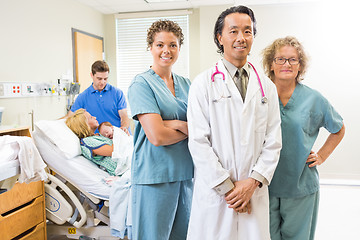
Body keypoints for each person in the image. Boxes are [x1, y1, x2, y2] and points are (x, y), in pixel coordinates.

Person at [186, 5, 282, 240]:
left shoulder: (266, 87)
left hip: (253, 191)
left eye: (247, 31)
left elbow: (274, 140)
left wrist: (251, 184)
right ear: (220, 38)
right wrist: (230, 190)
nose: (241, 38)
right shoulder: (202, 84)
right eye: (233, 31)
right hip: (218, 195)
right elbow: (198, 142)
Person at [261, 36, 345, 240]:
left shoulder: (313, 99)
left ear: (300, 66)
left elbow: (339, 128)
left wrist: (322, 155)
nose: (286, 64)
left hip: (300, 184)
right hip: (263, 184)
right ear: (271, 64)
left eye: (293, 60)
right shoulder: (259, 95)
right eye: (280, 59)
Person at [127, 19, 194, 240]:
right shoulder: (141, 84)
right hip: (154, 177)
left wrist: (168, 123)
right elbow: (156, 136)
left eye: (172, 45)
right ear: (151, 47)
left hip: (185, 175)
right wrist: (184, 125)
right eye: (160, 45)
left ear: (179, 48)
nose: (167, 50)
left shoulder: (187, 84)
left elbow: (203, 127)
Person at [66, 60, 130, 134]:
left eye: (105, 79)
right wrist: (52, 123)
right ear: (92, 75)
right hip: (100, 139)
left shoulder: (117, 93)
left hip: (118, 136)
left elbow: (124, 116)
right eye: (99, 79)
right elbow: (69, 116)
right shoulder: (82, 97)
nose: (103, 82)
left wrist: (124, 128)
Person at [66, 108, 117, 176]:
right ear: (85, 125)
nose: (95, 117)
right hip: (121, 168)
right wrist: (118, 135)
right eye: (91, 117)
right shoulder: (87, 141)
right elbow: (114, 151)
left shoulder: (98, 136)